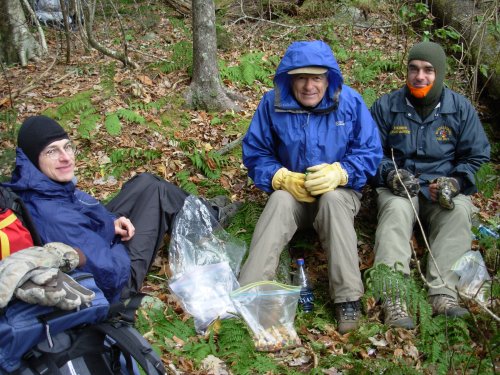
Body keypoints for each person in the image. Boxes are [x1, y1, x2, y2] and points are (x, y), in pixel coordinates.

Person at [4, 115, 239, 303]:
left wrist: (110, 223)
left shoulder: (44, 188)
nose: (66, 158)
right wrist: (117, 242)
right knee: (159, 194)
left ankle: (204, 212)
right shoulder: (52, 214)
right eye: (52, 151)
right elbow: (108, 273)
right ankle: (209, 217)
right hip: (116, 281)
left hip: (97, 247)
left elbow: (83, 221)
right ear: (34, 160)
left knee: (146, 181)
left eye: (67, 147)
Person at [238, 40, 383, 334]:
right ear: (289, 78)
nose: (308, 86)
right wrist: (279, 176)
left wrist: (342, 172)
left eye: (316, 77)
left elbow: (370, 151)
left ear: (328, 78)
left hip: (340, 194)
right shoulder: (272, 104)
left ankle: (347, 299)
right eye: (301, 77)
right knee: (279, 200)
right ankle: (249, 293)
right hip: (295, 196)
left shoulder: (350, 102)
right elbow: (256, 152)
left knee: (331, 200)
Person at [370, 41, 490, 329]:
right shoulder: (387, 106)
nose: (419, 76)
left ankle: (443, 294)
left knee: (460, 212)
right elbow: (369, 153)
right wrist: (390, 174)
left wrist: (456, 181)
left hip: (442, 192)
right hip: (400, 189)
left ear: (440, 74)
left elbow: (478, 156)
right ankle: (394, 296)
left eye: (428, 70)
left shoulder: (459, 109)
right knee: (396, 211)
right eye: (413, 69)